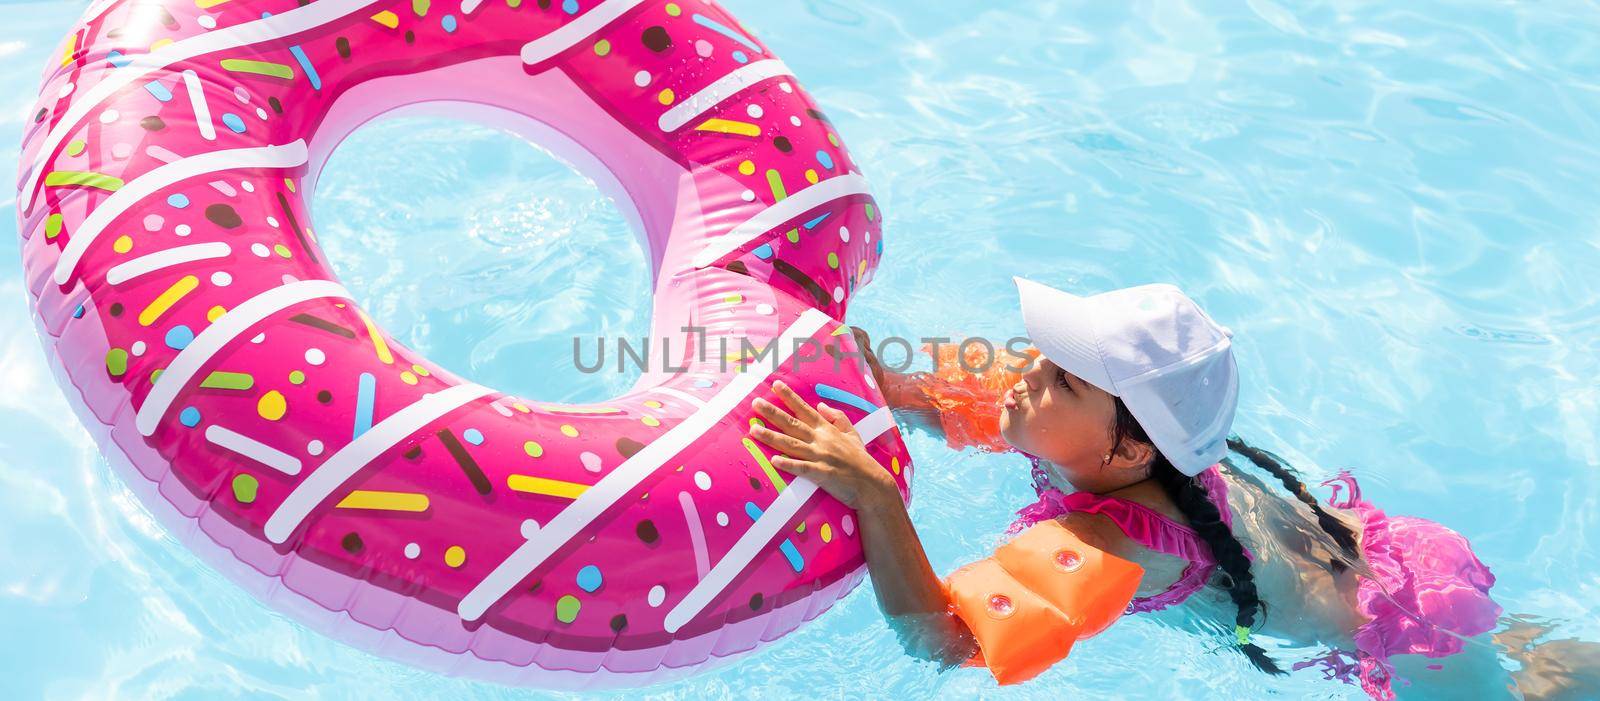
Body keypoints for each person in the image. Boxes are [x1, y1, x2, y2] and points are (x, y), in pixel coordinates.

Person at [744, 277, 1573, 700]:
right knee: (1548, 654)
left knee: (1536, 685)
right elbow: (965, 403)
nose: (1026, 371)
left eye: (1062, 375)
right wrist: (882, 381)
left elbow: (949, 640)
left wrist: (874, 497)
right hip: (1382, 554)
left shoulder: (1118, 536)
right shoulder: (1122, 438)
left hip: (1394, 637)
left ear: (1133, 446)